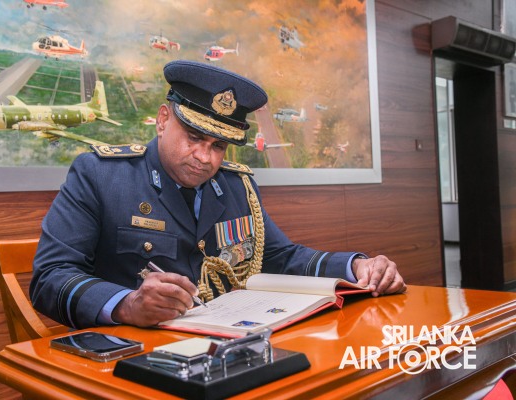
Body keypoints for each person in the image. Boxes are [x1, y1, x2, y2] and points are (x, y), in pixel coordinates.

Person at [30, 60, 406, 329]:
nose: (205, 157)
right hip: (135, 354)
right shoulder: (101, 175)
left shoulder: (235, 185)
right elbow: (50, 277)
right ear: (163, 120)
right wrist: (127, 305)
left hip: (227, 347)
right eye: (194, 137)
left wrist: (356, 267)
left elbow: (280, 256)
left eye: (219, 146)